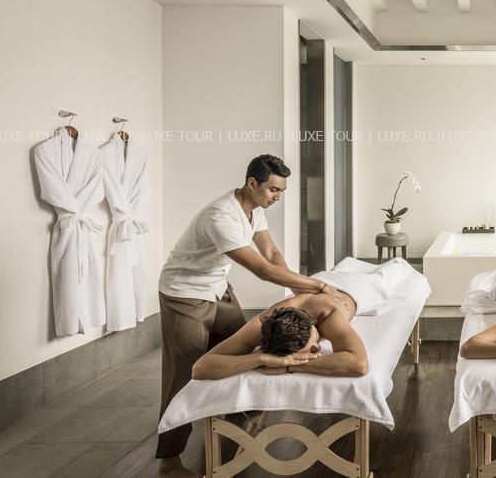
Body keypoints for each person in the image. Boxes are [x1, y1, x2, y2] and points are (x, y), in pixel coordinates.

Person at [156, 154, 337, 478]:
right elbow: (263, 270)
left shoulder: (254, 209)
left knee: (245, 344)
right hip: (184, 294)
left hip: (217, 289)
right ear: (252, 183)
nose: (277, 197)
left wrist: (299, 292)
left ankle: (236, 411)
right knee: (183, 375)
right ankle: (168, 463)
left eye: (282, 191)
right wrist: (317, 286)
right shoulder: (220, 217)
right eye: (273, 190)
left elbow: (272, 254)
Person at [191, 292, 368, 380]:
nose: (318, 347)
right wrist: (261, 359)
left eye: (314, 342)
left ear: (312, 322)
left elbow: (359, 364)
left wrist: (291, 366)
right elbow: (200, 368)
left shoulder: (328, 315)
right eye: (312, 348)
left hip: (350, 289)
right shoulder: (262, 326)